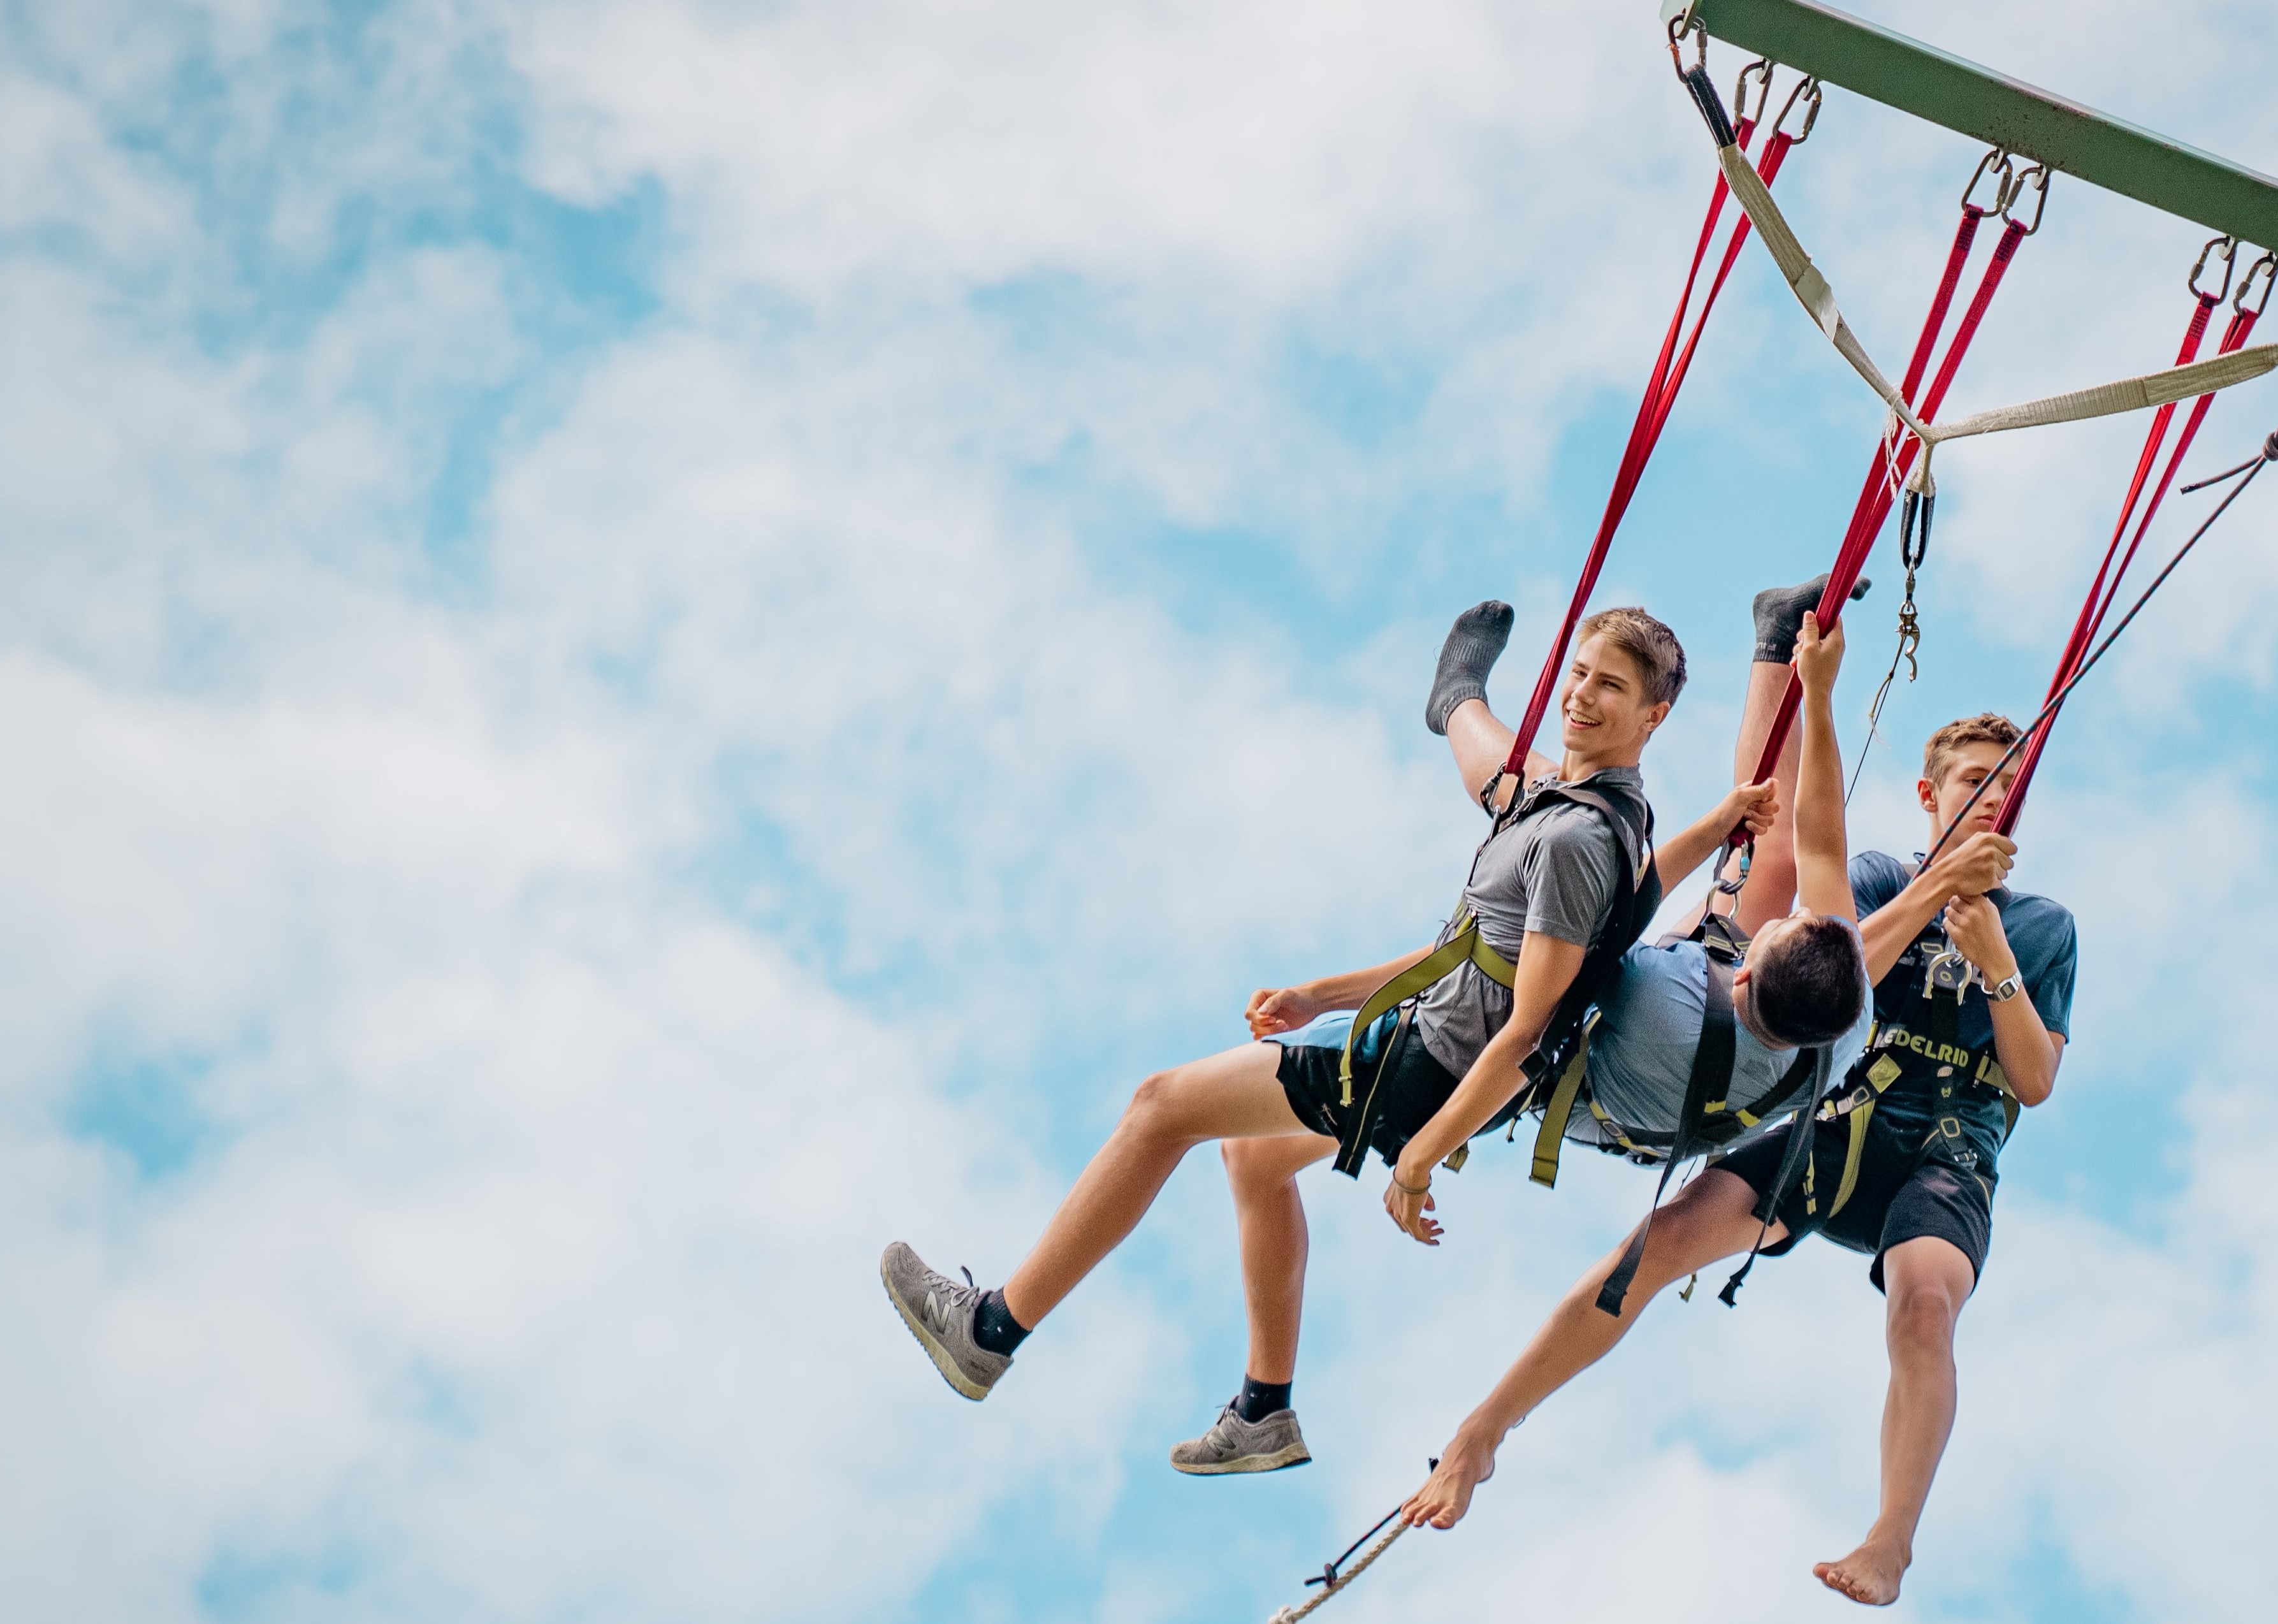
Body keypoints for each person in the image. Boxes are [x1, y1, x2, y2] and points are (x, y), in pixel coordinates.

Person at [881, 588, 1867, 1452]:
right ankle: (1264, 1410)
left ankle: (990, 1333)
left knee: (1159, 1108)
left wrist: (1418, 1160)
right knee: (1253, 1159)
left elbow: (1522, 1030)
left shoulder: (1573, 836)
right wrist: (1324, 995)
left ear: (1652, 715)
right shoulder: (1610, 815)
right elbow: (1478, 951)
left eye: (1606, 685)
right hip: (1419, 1036)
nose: (1578, 694)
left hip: (1419, 1069)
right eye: (1575, 673)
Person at [1179, 577, 1876, 1475]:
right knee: (1762, 857)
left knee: (1540, 801)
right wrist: (1804, 695)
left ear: (1741, 967)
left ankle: (1455, 708)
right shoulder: (1843, 1006)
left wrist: (1416, 1150)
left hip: (1548, 1062)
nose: (1776, 920)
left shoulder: (1650, 1006)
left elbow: (1571, 960)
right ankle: (1774, 636)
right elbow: (1817, 839)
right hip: (1691, 1043)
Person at [1395, 712, 2072, 1611]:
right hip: (1833, 1127)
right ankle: (1482, 1433)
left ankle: (1889, 1540)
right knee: (1655, 1246)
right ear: (1930, 794)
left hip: (1944, 1154)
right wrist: (1934, 890)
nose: (1992, 799)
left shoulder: (2044, 928)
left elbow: (2033, 1080)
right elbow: (1829, 960)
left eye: (2007, 787)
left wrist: (1996, 963)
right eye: (1974, 781)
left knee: (1923, 1312)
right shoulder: (1880, 880)